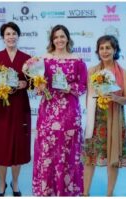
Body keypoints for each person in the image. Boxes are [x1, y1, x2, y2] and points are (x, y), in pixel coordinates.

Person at [32, 24, 87, 196]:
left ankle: (66, 191)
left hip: (70, 112)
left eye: (62, 36)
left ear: (68, 38)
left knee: (68, 151)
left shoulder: (77, 60)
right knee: (47, 151)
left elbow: (84, 86)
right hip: (48, 111)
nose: (59, 40)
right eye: (56, 37)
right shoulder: (43, 60)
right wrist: (39, 87)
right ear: (52, 40)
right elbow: (37, 85)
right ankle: (47, 190)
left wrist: (69, 88)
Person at [0, 22, 31, 196]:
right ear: (3, 37)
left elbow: (33, 82)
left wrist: (25, 83)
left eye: (14, 33)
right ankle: (1, 183)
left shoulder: (27, 58)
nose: (11, 36)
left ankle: (16, 182)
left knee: (18, 145)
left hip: (20, 107)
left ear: (18, 36)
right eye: (7, 34)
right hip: (0, 108)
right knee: (1, 145)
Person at [82, 35, 126, 196]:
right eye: (101, 48)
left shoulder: (123, 73)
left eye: (108, 48)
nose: (105, 51)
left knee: (112, 159)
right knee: (89, 159)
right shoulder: (92, 71)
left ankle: (109, 194)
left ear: (114, 50)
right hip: (95, 119)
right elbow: (88, 96)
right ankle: (85, 193)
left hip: (114, 118)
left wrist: (116, 98)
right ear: (98, 51)